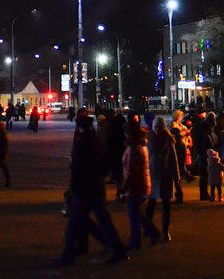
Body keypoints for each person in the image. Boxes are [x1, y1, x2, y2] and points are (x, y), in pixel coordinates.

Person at [57, 111, 127, 265]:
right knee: (104, 222)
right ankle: (118, 250)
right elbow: (107, 163)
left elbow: (76, 168)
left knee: (73, 226)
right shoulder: (97, 142)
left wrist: (73, 187)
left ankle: (68, 256)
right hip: (96, 187)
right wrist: (99, 176)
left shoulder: (82, 144)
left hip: (84, 190)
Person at [121, 120, 160, 248]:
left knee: (134, 214)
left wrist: (124, 187)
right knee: (136, 213)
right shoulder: (140, 145)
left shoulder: (134, 148)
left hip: (136, 185)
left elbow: (132, 170)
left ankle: (138, 240)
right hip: (140, 183)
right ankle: (150, 234)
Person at [145, 118, 178, 241]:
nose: (157, 129)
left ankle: (165, 231)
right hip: (152, 175)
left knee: (166, 205)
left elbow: (173, 159)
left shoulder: (169, 140)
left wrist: (176, 176)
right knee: (151, 204)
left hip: (165, 175)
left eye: (159, 127)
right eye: (156, 127)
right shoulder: (148, 140)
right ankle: (148, 228)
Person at [192, 113, 216, 201]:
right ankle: (204, 194)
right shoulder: (204, 133)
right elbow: (202, 146)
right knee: (204, 175)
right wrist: (205, 155)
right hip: (204, 156)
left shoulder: (204, 131)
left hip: (205, 155)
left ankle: (204, 193)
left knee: (205, 176)